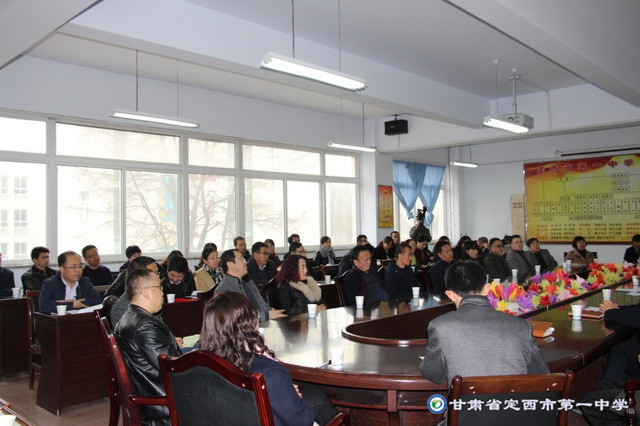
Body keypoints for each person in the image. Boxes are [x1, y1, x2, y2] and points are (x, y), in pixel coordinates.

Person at [200, 292, 330, 426]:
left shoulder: (201, 365)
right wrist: (290, 393)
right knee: (317, 396)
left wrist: (285, 390)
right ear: (252, 323)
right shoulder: (269, 371)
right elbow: (303, 421)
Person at [420, 260, 549, 384]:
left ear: (450, 294)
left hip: (466, 399)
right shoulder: (521, 326)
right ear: (487, 288)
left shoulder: (440, 326)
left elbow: (434, 375)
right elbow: (541, 373)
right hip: (514, 398)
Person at [115, 268, 182, 425]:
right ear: (145, 292)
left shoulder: (130, 317)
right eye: (159, 287)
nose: (163, 293)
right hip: (165, 403)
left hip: (155, 394)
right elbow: (174, 369)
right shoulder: (145, 326)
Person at [214, 249, 286, 321]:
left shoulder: (248, 282)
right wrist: (266, 315)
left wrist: (271, 310)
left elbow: (261, 303)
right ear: (230, 264)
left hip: (263, 322)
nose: (245, 262)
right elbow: (236, 317)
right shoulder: (223, 290)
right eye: (241, 259)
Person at [110, 256, 159, 326]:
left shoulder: (151, 298)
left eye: (157, 273)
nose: (158, 278)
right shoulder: (122, 309)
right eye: (154, 274)